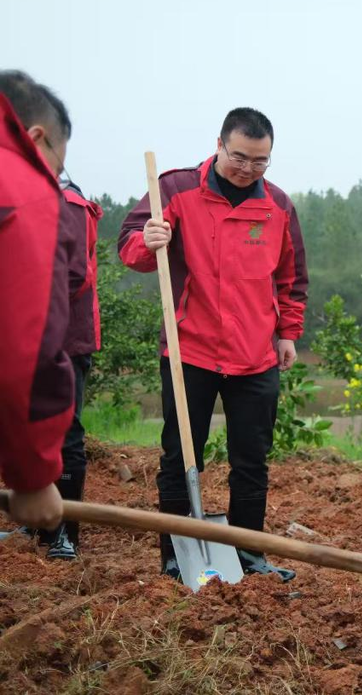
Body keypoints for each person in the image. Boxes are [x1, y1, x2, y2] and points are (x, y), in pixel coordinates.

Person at [118, 107, 308, 582]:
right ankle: (175, 555)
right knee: (180, 455)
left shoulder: (278, 205)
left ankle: (249, 555)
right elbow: (128, 247)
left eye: (260, 161)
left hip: (255, 354)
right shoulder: (175, 189)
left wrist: (288, 332)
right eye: (240, 157)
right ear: (219, 144)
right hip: (192, 351)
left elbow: (292, 277)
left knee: (251, 460)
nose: (248, 169)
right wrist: (147, 239)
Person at [0, 70, 76, 533]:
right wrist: (32, 476)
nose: (55, 179)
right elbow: (24, 352)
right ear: (35, 137)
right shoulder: (25, 194)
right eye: (58, 168)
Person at [36, 182, 103, 559]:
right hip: (28, 338)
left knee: (64, 429)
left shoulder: (70, 204)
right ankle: (37, 524)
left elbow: (74, 273)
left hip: (64, 340)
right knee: (32, 429)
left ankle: (64, 531)